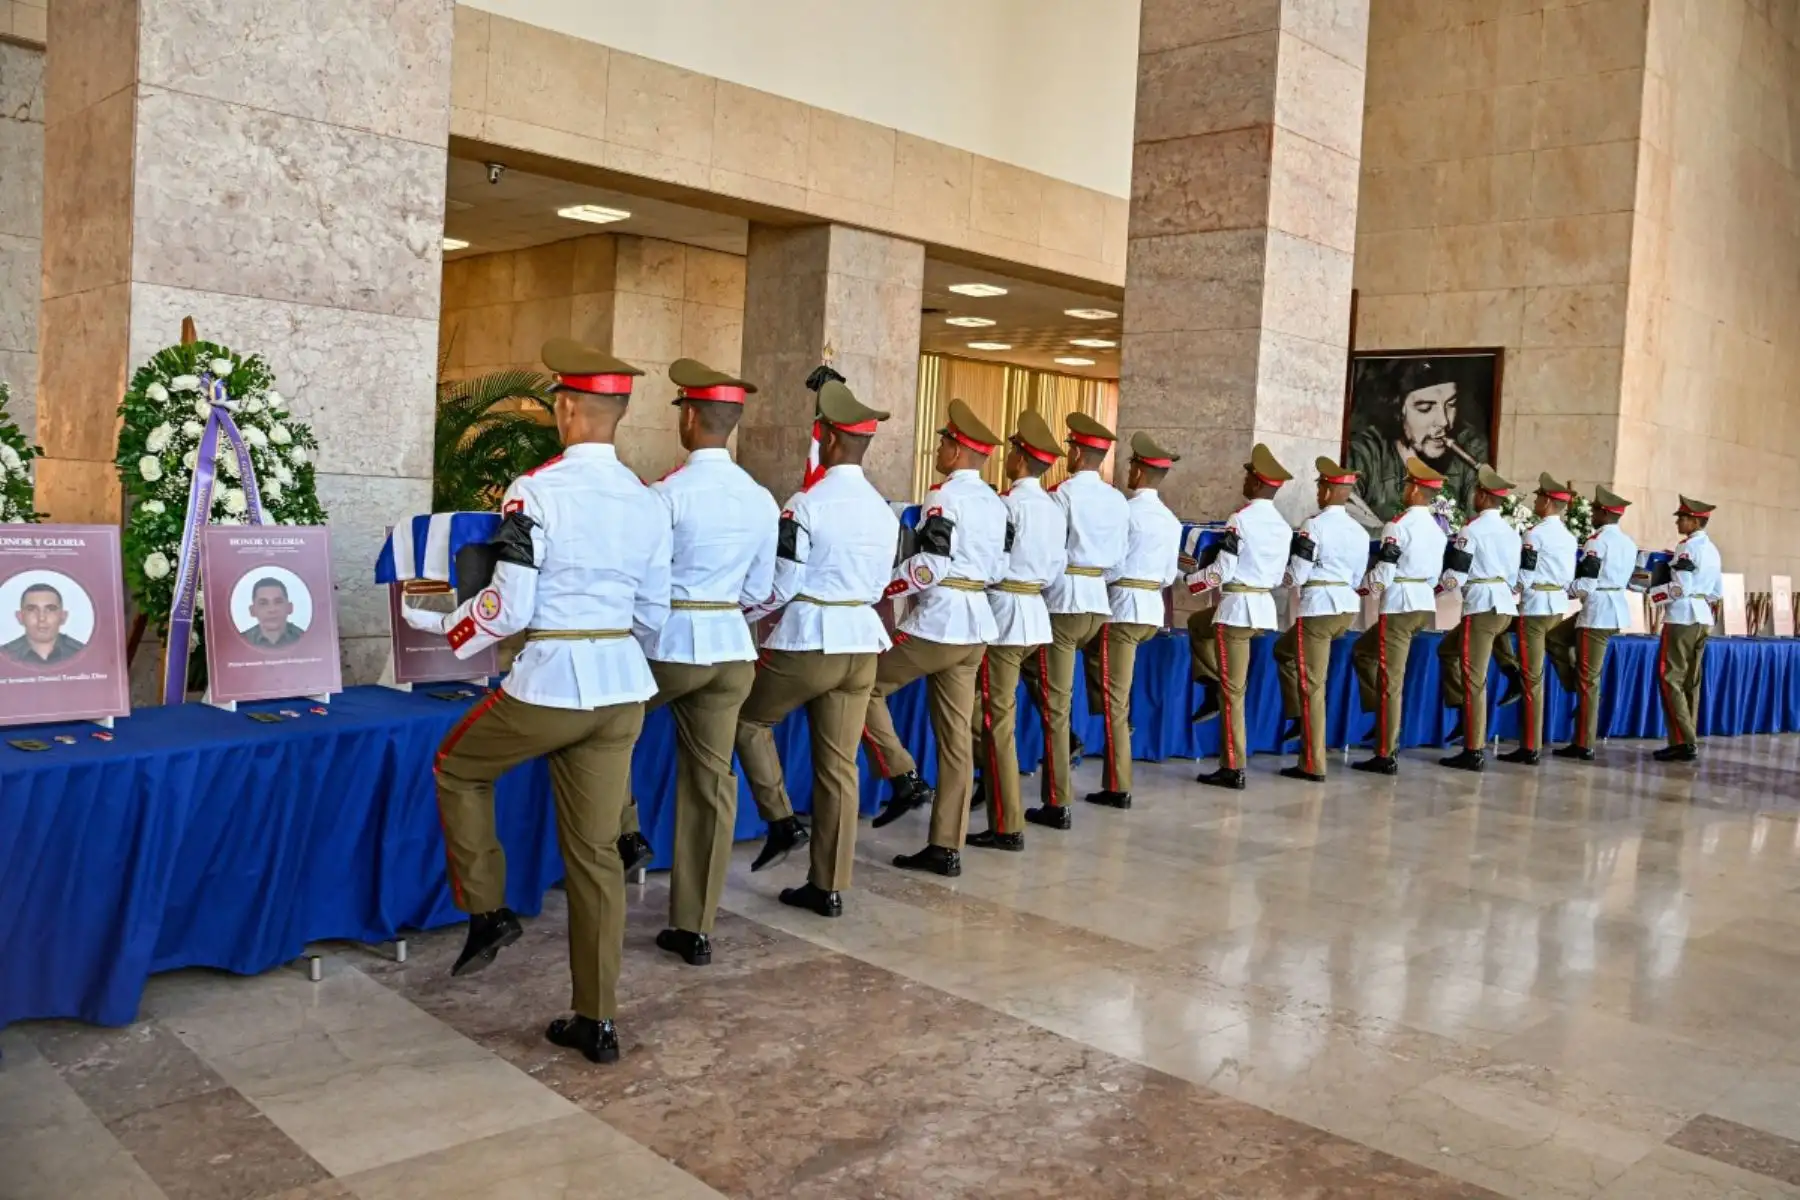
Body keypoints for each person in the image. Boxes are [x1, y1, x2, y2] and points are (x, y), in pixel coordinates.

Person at [409, 338, 672, 1066]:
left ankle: (488, 910)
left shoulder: (535, 491)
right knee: (595, 857)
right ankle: (598, 1018)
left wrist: (446, 627)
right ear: (618, 413)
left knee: (459, 767)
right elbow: (654, 612)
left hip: (553, 680)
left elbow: (510, 607)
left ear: (567, 408)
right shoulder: (649, 502)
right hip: (621, 687)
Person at [627, 358, 780, 968]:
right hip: (731, 649)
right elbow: (761, 589)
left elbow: (643, 584)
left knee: (603, 730)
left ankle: (626, 833)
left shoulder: (665, 495)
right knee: (712, 783)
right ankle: (695, 926)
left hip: (669, 645)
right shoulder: (761, 498)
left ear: (689, 417)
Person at [735, 380, 899, 918]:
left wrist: (740, 614)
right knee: (839, 766)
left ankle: (781, 820)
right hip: (862, 642)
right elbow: (882, 585)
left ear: (826, 438)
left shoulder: (807, 504)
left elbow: (782, 585)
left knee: (748, 721)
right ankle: (829, 885)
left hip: (811, 637)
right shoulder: (883, 511)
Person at [863, 399, 1008, 875]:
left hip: (941, 620)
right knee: (956, 742)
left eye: (944, 442)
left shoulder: (943, 497)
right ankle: (946, 846)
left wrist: (884, 587)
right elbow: (1000, 568)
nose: (938, 450)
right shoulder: (997, 504)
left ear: (958, 449)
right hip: (977, 624)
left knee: (861, 684)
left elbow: (931, 565)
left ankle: (902, 773)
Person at [1019, 413, 1129, 829]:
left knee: (1056, 705)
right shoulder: (1117, 500)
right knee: (1052, 683)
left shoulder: (1060, 495)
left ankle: (1057, 801)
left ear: (1078, 453)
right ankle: (1097, 771)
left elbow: (1049, 552)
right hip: (1099, 602)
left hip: (1064, 601)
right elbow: (1118, 563)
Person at [969, 409, 1066, 851]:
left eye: (1010, 453)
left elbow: (993, 565)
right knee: (993, 715)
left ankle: (1007, 824)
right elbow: (1057, 569)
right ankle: (994, 784)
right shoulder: (1053, 508)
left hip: (1005, 615)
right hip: (1035, 615)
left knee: (995, 722)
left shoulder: (1007, 506)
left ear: (1020, 458)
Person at [1184, 444, 1292, 790]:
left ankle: (1233, 766)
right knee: (1197, 625)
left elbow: (1222, 571)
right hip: (1262, 609)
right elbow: (1282, 576)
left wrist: (1190, 580)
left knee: (1233, 693)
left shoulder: (1241, 520)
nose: (1243, 482)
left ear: (1257, 483)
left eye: (1247, 477)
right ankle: (1211, 681)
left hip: (1237, 611)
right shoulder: (1283, 526)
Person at [1083, 434, 1182, 809]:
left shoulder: (1124, 512)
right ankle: (1117, 729)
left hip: (1122, 610)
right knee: (1105, 674)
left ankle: (1117, 785)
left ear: (1138, 472)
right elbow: (1169, 576)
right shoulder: (1170, 520)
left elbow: (1111, 564)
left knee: (1114, 701)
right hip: (1150, 612)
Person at [1350, 457, 1450, 775]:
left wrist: (1359, 589)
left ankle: (1386, 751)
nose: (1404, 490)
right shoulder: (1437, 529)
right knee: (1363, 652)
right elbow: (1436, 576)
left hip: (1400, 605)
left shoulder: (1398, 525)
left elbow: (1384, 573)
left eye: (1407, 485)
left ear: (1417, 490)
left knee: (1390, 680)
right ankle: (1382, 718)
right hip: (1423, 604)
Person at [1272, 457, 1366, 782]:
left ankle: (1312, 763)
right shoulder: (1359, 531)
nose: (1317, 492)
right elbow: (1357, 577)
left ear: (1327, 491)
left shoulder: (1314, 526)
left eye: (1320, 486)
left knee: (1312, 686)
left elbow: (1298, 573)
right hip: (1346, 609)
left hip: (1319, 609)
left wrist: (1275, 578)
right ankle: (1299, 716)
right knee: (1283, 651)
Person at [1435, 466, 1521, 772]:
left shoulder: (1471, 531)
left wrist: (1433, 587)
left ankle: (1473, 749)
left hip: (1482, 606)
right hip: (1504, 605)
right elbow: (1515, 577)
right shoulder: (1512, 532)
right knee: (1447, 650)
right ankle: (1466, 710)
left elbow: (1456, 576)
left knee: (1474, 678)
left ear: (1483, 496)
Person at [1546, 487, 1638, 761]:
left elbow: (1586, 584)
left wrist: (1564, 588)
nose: (1592, 515)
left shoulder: (1597, 542)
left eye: (1596, 510)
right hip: (1613, 609)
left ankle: (1584, 743)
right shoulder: (1628, 543)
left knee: (1589, 679)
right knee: (1555, 639)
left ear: (1605, 513)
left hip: (1598, 613)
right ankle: (1580, 691)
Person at [1492, 474, 1578, 765]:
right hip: (1556, 606)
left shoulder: (1534, 535)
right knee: (1502, 631)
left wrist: (1505, 587)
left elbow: (1525, 576)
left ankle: (1530, 746)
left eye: (1540, 497)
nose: (1536, 501)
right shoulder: (1568, 537)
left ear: (1549, 502)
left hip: (1536, 607)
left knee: (1531, 678)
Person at [1347, 358, 1490, 518]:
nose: (1444, 421)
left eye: (1451, 404)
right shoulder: (1367, 452)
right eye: (1425, 408)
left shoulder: (1471, 446)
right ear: (1397, 410)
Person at [1653, 495, 1722, 763]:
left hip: (1683, 618)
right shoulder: (1713, 550)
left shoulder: (1686, 548)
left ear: (1694, 521)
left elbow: (1681, 588)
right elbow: (1716, 592)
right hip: (1703, 616)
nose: (1678, 523)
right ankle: (1687, 737)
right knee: (1691, 681)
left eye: (1681, 518)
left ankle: (1683, 741)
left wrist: (1654, 593)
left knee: (1670, 678)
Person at [4, 582, 86, 664]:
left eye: (50, 609)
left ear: (63, 616)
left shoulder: (84, 654)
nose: (41, 618)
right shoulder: (3, 656)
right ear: (20, 617)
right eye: (32, 609)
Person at [240, 577, 305, 648]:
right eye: (263, 603)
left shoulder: (307, 639)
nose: (272, 609)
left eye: (278, 602)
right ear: (252, 611)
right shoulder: (239, 642)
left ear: (289, 608)